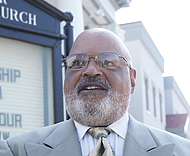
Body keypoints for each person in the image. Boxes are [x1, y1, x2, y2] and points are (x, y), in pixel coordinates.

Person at [0, 28, 190, 156]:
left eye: (108, 61)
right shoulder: (16, 151)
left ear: (132, 79)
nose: (90, 70)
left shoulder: (182, 151)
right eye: (77, 62)